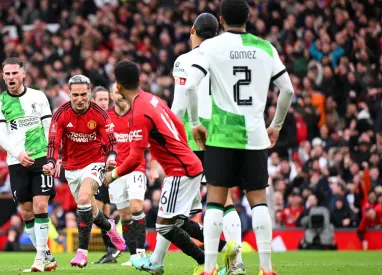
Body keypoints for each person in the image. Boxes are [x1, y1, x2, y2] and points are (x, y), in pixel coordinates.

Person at [184, 1, 294, 274]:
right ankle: (267, 268)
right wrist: (276, 125)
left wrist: (196, 123)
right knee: (258, 201)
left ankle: (209, 269)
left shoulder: (210, 47)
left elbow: (191, 86)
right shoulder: (265, 47)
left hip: (221, 136)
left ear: (220, 20)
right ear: (248, 17)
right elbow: (288, 91)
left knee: (216, 202)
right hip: (255, 135)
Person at [103, 61, 235, 275]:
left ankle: (207, 262)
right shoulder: (152, 99)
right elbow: (179, 124)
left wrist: (114, 174)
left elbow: (136, 157)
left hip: (180, 171)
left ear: (117, 86)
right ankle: (222, 249)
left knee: (164, 225)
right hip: (188, 164)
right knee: (179, 221)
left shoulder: (138, 113)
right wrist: (182, 151)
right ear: (139, 80)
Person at [172, 13, 245, 274]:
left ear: (193, 30)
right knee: (224, 200)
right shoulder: (228, 58)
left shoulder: (185, 60)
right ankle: (236, 261)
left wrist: (168, 133)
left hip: (193, 137)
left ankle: (203, 263)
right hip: (225, 133)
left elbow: (179, 105)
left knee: (174, 206)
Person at [42, 75, 126, 268]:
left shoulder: (99, 114)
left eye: (83, 94)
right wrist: (51, 162)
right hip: (71, 168)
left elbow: (111, 141)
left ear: (89, 93)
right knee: (92, 211)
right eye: (75, 95)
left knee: (84, 198)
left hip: (95, 162)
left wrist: (111, 157)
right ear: (69, 94)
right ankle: (110, 227)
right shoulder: (60, 114)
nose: (79, 99)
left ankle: (82, 252)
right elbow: (54, 143)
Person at [0, 57, 57, 272]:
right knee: (27, 213)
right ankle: (46, 255)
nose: (11, 77)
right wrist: (18, 154)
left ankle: (39, 258)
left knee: (40, 206)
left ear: (23, 74)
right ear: (3, 76)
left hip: (41, 158)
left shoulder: (38, 97)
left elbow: (49, 126)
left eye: (14, 73)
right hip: (16, 161)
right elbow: (2, 137)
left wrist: (52, 156)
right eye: (7, 74)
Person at [107, 82, 147, 266]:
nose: (120, 94)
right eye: (117, 91)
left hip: (135, 168)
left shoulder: (138, 114)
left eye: (123, 90)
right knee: (124, 215)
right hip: (114, 172)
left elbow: (152, 142)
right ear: (111, 95)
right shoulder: (106, 117)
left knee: (136, 206)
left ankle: (141, 252)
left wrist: (154, 167)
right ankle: (133, 257)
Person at [91, 86, 121, 264]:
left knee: (95, 212)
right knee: (104, 213)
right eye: (100, 99)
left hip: (105, 171)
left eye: (105, 99)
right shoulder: (91, 118)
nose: (103, 102)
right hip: (98, 170)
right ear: (93, 100)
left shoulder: (111, 119)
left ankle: (115, 246)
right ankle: (111, 250)